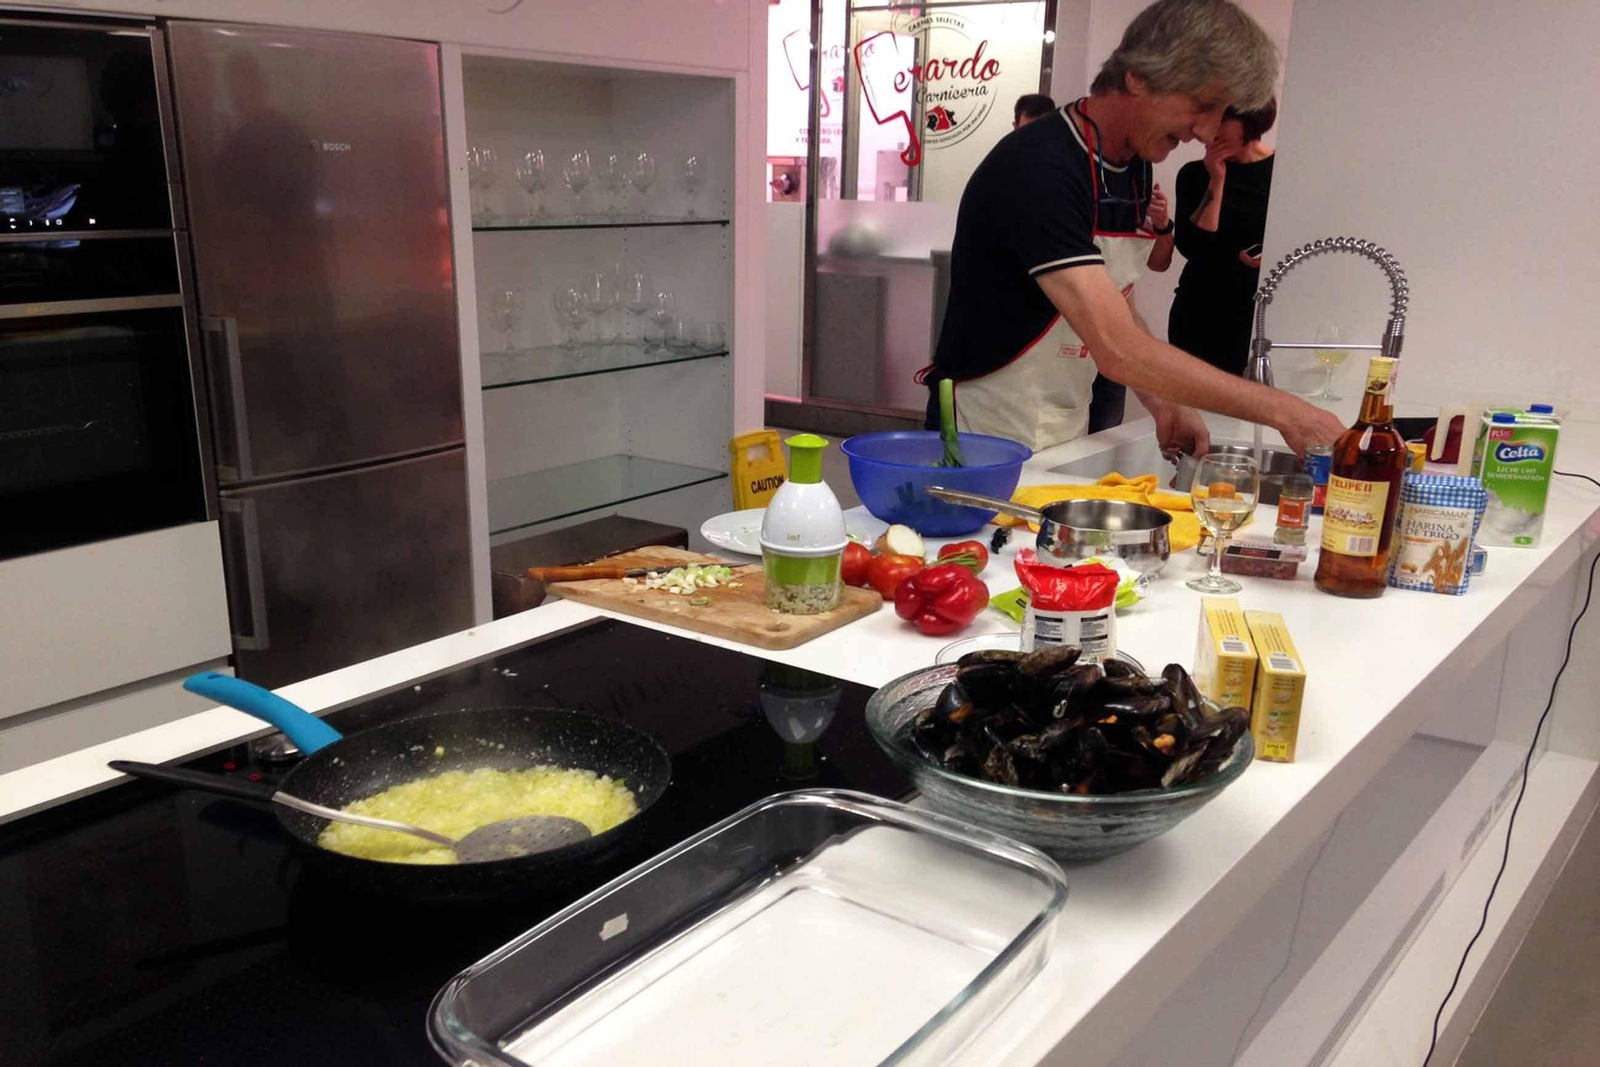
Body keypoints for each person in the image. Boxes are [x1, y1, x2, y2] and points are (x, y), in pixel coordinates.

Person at [924, 0, 1342, 458]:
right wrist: (1288, 412)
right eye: (1203, 106)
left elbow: (1116, 299)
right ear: (1138, 76)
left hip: (1064, 410)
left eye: (1220, 113)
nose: (1205, 132)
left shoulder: (1134, 165)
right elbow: (1117, 346)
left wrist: (1166, 404)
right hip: (988, 418)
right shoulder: (1039, 167)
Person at [1147, 98, 1277, 376]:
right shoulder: (1194, 174)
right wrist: (1216, 180)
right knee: (1190, 404)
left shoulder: (1281, 173)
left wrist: (1271, 256)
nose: (1211, 134)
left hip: (1252, 315)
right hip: (1198, 310)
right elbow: (1193, 247)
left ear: (1250, 127)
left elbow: (1295, 240)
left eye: (1222, 127)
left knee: (1245, 408)